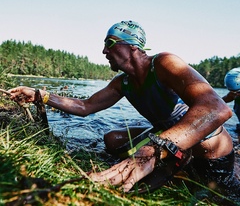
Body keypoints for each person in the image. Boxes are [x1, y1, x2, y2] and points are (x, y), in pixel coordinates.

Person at [8, 21, 238, 199]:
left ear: (133, 46)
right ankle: (169, 167)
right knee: (112, 139)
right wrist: (40, 95)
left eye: (109, 43)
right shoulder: (123, 83)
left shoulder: (164, 63)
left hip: (210, 156)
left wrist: (153, 148)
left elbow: (216, 108)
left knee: (217, 196)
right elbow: (85, 106)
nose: (103, 51)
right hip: (171, 144)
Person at [222, 68, 240, 132]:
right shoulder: (235, 95)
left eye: (238, 92)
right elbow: (224, 100)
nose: (237, 95)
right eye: (233, 92)